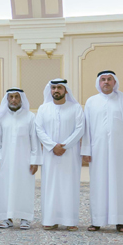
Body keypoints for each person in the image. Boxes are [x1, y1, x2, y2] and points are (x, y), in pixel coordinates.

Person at [81, 71, 123, 233]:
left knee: (120, 184)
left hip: (120, 151)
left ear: (114, 82)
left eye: (109, 79)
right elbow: (86, 128)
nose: (106, 82)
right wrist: (86, 149)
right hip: (97, 150)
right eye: (103, 80)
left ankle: (120, 221)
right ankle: (97, 220)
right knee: (98, 184)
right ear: (99, 83)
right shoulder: (91, 102)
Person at [35, 79, 84, 231]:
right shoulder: (43, 109)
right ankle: (50, 220)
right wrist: (52, 146)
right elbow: (39, 129)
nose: (56, 90)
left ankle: (70, 220)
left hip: (70, 154)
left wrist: (65, 146)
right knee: (50, 186)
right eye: (53, 88)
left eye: (59, 88)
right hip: (50, 154)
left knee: (69, 185)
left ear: (66, 90)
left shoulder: (76, 108)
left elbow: (80, 129)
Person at [0, 89, 41, 230]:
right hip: (5, 160)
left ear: (21, 99)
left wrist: (34, 160)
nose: (13, 100)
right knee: (5, 188)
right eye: (11, 97)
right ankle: (6, 218)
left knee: (24, 188)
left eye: (16, 97)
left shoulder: (30, 117)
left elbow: (34, 140)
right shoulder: (0, 117)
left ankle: (25, 218)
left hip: (24, 160)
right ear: (7, 99)